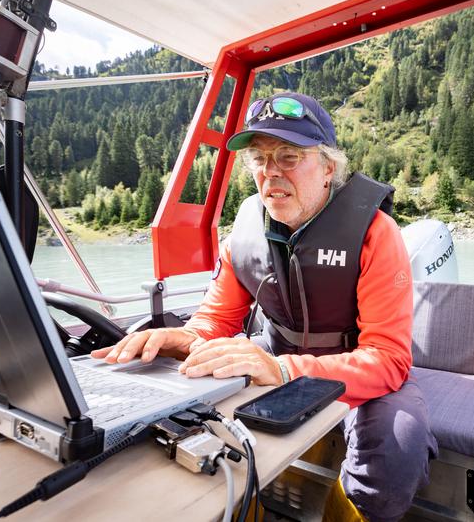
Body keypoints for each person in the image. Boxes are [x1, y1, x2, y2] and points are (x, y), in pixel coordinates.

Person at [91, 92, 437, 521]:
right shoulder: (245, 234)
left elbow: (388, 360)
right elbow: (216, 320)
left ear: (328, 167)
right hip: (275, 356)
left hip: (358, 367)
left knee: (399, 440)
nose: (270, 171)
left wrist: (286, 371)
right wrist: (182, 338)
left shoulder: (375, 233)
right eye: (258, 158)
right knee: (198, 409)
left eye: (289, 156)